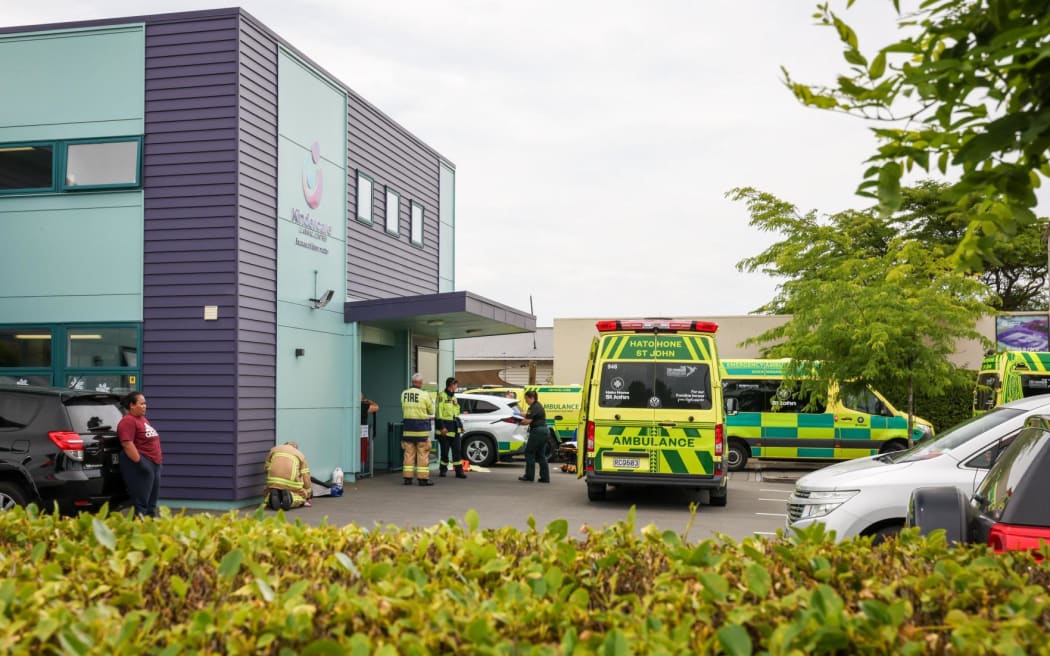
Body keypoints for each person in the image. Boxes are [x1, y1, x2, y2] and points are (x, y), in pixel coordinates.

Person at [117, 391, 163, 517]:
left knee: (151, 503)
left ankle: (150, 528)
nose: (145, 406)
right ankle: (138, 530)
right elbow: (127, 444)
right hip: (142, 465)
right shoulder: (128, 421)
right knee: (141, 502)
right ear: (132, 405)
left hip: (154, 464)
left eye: (145, 404)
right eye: (141, 404)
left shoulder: (142, 419)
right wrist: (141, 463)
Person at [400, 373, 435, 486]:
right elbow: (430, 411)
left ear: (412, 382)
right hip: (421, 429)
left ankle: (407, 478)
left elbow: (402, 407)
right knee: (422, 453)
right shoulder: (425, 395)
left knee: (408, 453)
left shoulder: (404, 394)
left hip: (408, 428)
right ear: (420, 383)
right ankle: (423, 479)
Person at [264, 441, 312, 509]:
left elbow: (266, 467)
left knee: (268, 492)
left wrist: (269, 484)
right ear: (296, 448)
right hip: (290, 483)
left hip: (273, 480)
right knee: (301, 497)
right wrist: (308, 493)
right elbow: (306, 476)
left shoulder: (274, 449)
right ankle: (291, 499)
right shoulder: (300, 454)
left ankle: (270, 498)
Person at [436, 377, 467, 479]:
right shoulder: (441, 396)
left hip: (455, 429)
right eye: (456, 385)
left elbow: (456, 414)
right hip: (445, 429)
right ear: (451, 385)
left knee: (457, 451)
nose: (457, 387)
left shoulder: (454, 398)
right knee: (445, 452)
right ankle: (443, 470)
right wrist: (442, 428)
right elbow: (438, 414)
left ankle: (459, 472)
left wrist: (461, 426)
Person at [519, 390, 550, 483]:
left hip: (538, 431)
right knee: (541, 455)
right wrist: (518, 413)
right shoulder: (536, 405)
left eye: (526, 399)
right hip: (544, 431)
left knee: (529, 452)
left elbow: (527, 421)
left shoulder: (534, 407)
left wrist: (515, 421)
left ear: (531, 398)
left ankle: (529, 476)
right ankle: (545, 478)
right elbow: (527, 414)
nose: (526, 401)